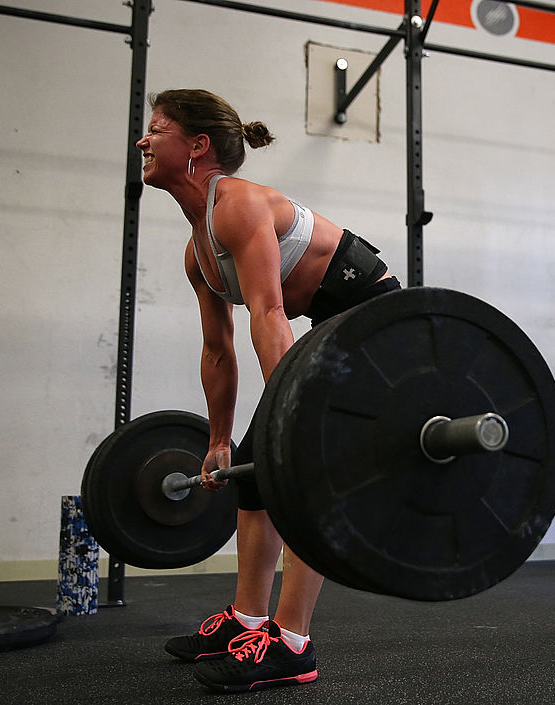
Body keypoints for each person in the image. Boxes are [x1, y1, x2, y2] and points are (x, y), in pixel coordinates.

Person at [135, 89, 400, 692]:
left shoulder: (238, 205)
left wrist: (293, 417)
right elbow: (218, 350)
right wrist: (220, 440)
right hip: (319, 330)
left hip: (373, 321)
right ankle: (248, 621)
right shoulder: (196, 249)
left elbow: (270, 314)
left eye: (156, 129)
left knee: (301, 473)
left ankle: (292, 643)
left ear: (197, 146)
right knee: (254, 468)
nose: (143, 141)